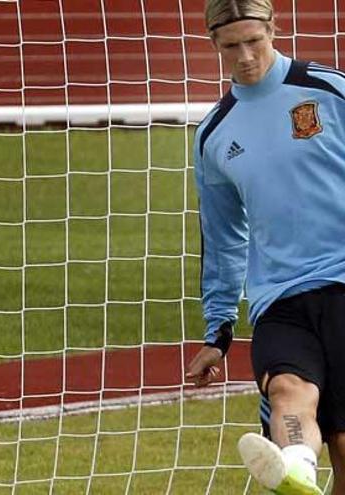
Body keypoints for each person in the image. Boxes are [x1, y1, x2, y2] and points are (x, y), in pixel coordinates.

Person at [184, 0, 345, 493]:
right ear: (214, 45)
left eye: (255, 40)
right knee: (286, 390)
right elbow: (224, 235)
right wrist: (218, 329)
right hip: (278, 299)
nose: (246, 55)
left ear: (275, 29)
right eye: (231, 45)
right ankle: (295, 468)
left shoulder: (331, 90)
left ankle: (302, 466)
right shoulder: (213, 134)